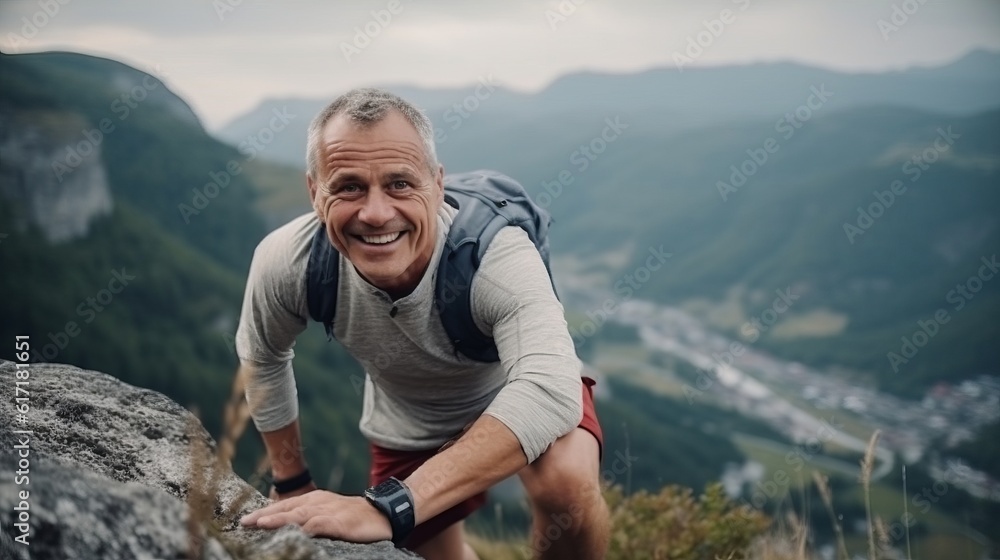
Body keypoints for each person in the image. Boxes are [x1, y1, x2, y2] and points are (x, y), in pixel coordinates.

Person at [236, 88, 610, 560]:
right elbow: (263, 356)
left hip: (514, 387)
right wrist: (291, 482)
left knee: (567, 489)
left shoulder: (493, 256)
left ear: (437, 185)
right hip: (409, 422)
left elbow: (551, 390)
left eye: (399, 184)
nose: (375, 213)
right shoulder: (288, 261)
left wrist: (393, 506)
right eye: (349, 186)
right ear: (315, 192)